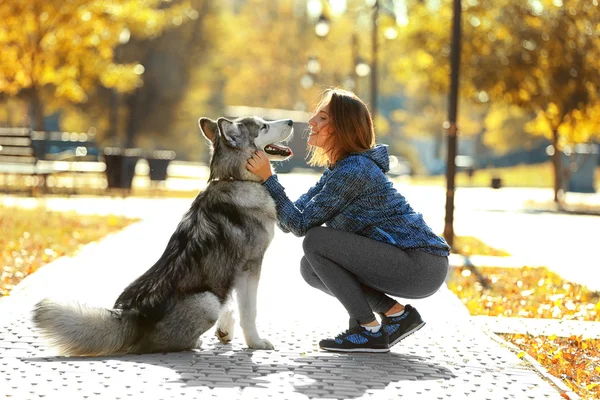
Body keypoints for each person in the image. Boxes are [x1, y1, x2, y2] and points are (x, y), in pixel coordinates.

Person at [246, 88, 450, 353]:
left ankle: (368, 330)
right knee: (311, 267)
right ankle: (398, 315)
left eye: (322, 118)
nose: (311, 123)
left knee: (317, 241)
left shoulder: (355, 171)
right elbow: (291, 219)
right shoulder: (340, 169)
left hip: (422, 265)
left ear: (342, 126)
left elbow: (300, 226)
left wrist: (268, 178)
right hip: (410, 263)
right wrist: (264, 181)